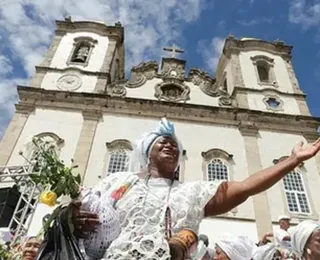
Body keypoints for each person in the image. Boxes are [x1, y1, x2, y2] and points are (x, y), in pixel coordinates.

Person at [71, 118, 320, 259]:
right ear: (147, 151)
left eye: (174, 144)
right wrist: (72, 219)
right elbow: (83, 215)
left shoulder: (192, 193)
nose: (170, 146)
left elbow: (245, 187)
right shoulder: (118, 183)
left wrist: (293, 161)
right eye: (162, 142)